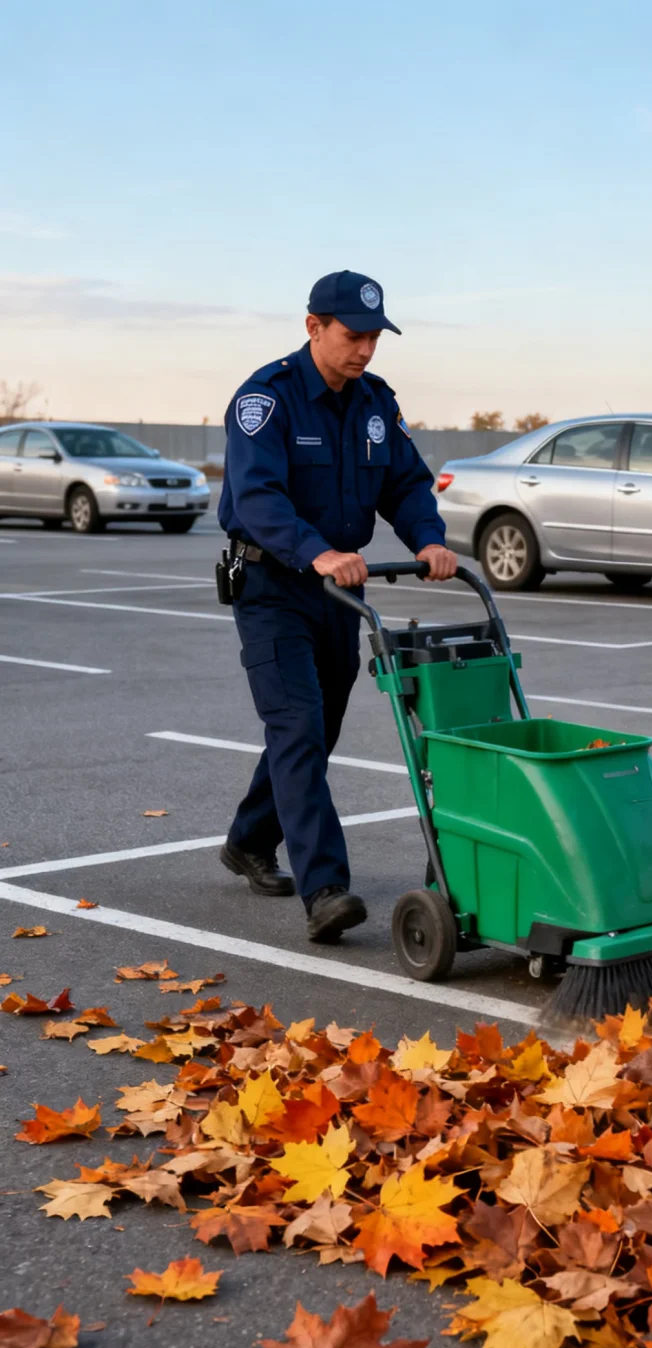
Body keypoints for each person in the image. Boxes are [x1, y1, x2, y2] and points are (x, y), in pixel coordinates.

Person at [216, 270, 457, 942]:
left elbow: (406, 483)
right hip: (273, 586)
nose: (366, 351)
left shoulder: (376, 403)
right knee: (297, 726)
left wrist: (430, 539)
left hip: (339, 591)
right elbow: (257, 497)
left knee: (316, 730)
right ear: (312, 326)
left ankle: (247, 839)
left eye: (375, 337)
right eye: (353, 336)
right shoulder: (267, 400)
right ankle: (326, 887)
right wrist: (315, 549)